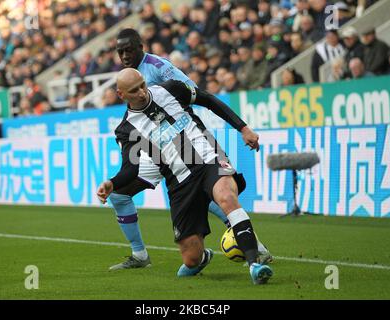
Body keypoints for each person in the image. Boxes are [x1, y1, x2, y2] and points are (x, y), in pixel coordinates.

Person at [110, 28, 273, 270]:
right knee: (118, 193)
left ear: (141, 47)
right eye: (120, 51)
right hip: (157, 147)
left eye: (129, 50)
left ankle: (251, 242)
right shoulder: (127, 85)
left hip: (181, 141)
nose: (124, 55)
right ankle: (141, 255)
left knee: (207, 186)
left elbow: (191, 89)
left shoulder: (157, 66)